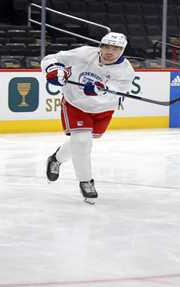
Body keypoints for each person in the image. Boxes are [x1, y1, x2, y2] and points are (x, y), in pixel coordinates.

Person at [41, 32, 135, 203]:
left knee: (81, 141)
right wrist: (54, 70)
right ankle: (86, 181)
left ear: (122, 50)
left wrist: (103, 90)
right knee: (83, 141)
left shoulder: (126, 71)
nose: (110, 51)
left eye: (116, 48)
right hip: (75, 102)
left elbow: (118, 95)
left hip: (103, 109)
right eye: (106, 46)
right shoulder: (84, 53)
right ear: (100, 46)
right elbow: (51, 58)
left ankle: (55, 159)